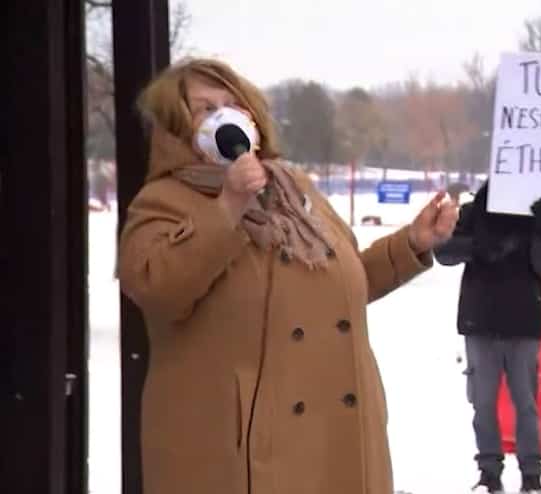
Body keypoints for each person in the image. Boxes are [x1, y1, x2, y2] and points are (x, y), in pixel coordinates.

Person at [116, 58, 457, 494]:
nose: (225, 115)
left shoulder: (294, 189)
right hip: (240, 452)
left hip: (335, 435)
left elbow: (339, 286)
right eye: (204, 108)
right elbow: (156, 289)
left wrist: (413, 243)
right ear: (177, 129)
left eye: (232, 102)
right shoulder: (163, 201)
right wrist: (227, 208)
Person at [434, 182, 541, 494]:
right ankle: (489, 471)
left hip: (523, 321)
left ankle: (531, 474)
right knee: (483, 401)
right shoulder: (474, 212)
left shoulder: (537, 213)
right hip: (481, 319)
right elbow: (443, 251)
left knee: (526, 402)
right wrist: (479, 245)